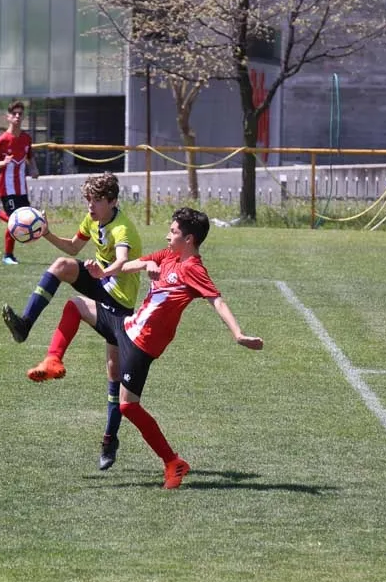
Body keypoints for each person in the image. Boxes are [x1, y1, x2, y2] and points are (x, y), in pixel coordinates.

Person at [73, 207, 263, 489]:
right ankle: (53, 360)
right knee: (76, 306)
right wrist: (105, 272)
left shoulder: (193, 269)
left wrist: (238, 334)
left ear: (189, 239)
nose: (167, 236)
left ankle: (173, 462)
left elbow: (217, 301)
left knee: (128, 406)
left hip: (143, 344)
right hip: (129, 327)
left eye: (173, 232)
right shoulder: (169, 255)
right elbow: (131, 265)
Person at [2, 171, 142, 470]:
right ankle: (25, 325)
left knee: (115, 377)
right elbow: (73, 248)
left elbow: (122, 260)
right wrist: (46, 233)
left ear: (112, 201)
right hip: (101, 285)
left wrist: (103, 271)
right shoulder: (92, 220)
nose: (91, 206)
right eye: (88, 200)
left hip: (119, 304)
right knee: (62, 267)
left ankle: (109, 439)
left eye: (96, 201)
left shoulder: (122, 228)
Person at [0, 100, 40, 265]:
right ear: (8, 117)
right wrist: (3, 162)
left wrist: (34, 169)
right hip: (7, 189)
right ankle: (7, 255)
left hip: (22, 188)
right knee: (16, 221)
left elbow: (30, 157)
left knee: (23, 220)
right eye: (14, 114)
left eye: (20, 114)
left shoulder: (26, 138)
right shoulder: (2, 140)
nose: (17, 116)